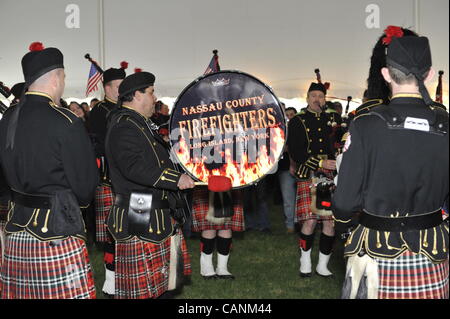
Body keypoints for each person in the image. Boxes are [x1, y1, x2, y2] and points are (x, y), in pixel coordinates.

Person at [333, 35, 449, 299]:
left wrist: (345, 229)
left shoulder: (364, 125)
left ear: (386, 74)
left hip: (375, 248)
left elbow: (345, 200)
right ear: (429, 74)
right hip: (432, 249)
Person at [0, 43, 98, 299]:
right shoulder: (66, 121)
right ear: (55, 77)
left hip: (18, 227)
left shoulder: (8, 119)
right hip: (57, 231)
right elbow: (86, 187)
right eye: (64, 77)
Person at [105, 71, 194, 299]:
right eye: (151, 92)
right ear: (136, 95)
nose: (155, 98)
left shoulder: (140, 124)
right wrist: (176, 180)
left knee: (163, 283)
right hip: (139, 209)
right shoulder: (125, 126)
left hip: (152, 208)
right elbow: (134, 167)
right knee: (141, 289)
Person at [287, 82, 337, 277]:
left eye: (321, 96)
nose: (317, 99)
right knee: (309, 222)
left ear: (325, 99)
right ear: (307, 98)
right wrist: (320, 163)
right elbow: (297, 151)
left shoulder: (331, 119)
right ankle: (305, 260)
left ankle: (323, 265)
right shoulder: (298, 121)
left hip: (327, 179)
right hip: (308, 175)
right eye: (313, 95)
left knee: (329, 222)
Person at [87, 63, 126, 297]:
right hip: (109, 180)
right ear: (107, 88)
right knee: (112, 233)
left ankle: (127, 277)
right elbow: (98, 144)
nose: (122, 91)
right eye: (119, 87)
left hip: (131, 180)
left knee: (129, 232)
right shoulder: (99, 111)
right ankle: (110, 283)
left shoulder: (127, 109)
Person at [277, 104, 297, 233]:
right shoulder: (280, 131)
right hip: (285, 168)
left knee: (301, 198)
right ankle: (290, 225)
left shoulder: (301, 130)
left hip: (302, 167)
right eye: (287, 115)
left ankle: (300, 222)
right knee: (288, 199)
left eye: (292, 115)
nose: (289, 118)